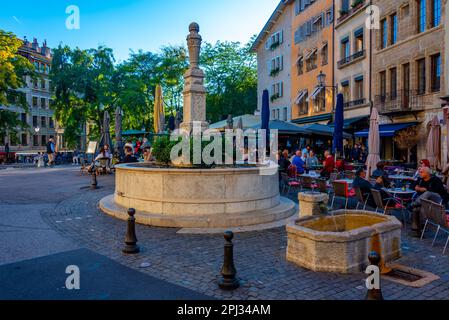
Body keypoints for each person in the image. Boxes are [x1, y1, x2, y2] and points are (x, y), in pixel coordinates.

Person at [409, 167, 449, 237]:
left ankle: (412, 204)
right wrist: (416, 187)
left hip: (437, 202)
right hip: (426, 203)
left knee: (428, 193)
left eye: (421, 172)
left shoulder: (435, 179)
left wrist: (424, 190)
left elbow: (437, 190)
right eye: (419, 172)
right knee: (415, 209)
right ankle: (416, 231)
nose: (419, 173)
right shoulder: (420, 179)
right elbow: (411, 185)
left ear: (427, 173)